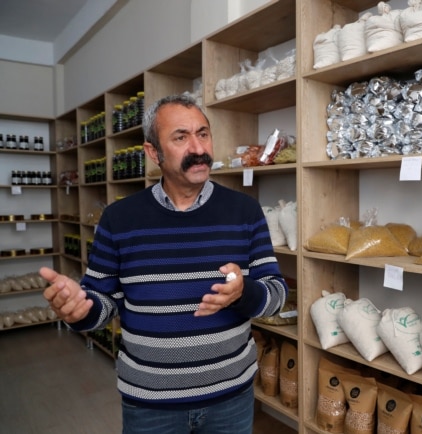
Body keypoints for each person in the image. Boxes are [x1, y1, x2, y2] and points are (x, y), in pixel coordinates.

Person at [40, 94, 288, 434]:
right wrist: (79, 311)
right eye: (180, 137)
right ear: (153, 153)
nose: (198, 148)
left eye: (203, 133)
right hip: (150, 404)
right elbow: (104, 302)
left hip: (230, 398)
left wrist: (243, 294)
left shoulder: (244, 212)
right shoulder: (119, 219)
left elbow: (276, 292)